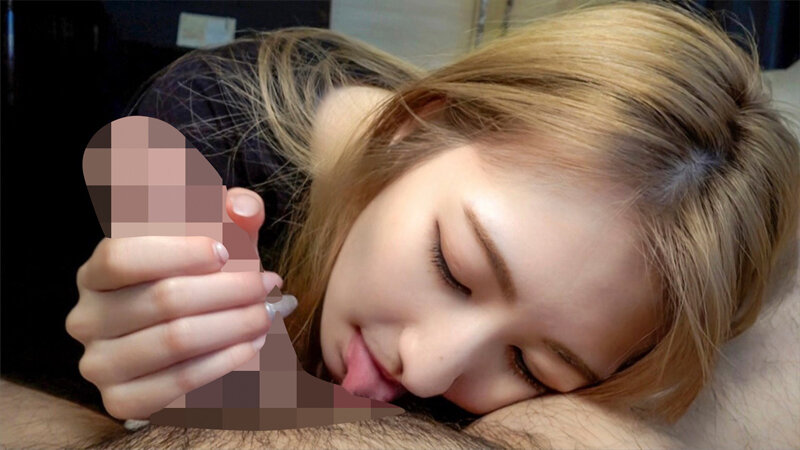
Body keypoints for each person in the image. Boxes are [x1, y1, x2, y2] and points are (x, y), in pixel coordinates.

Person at [63, 0, 798, 444]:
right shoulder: (200, 125)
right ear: (416, 125)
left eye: (531, 368)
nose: (429, 368)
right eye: (453, 268)